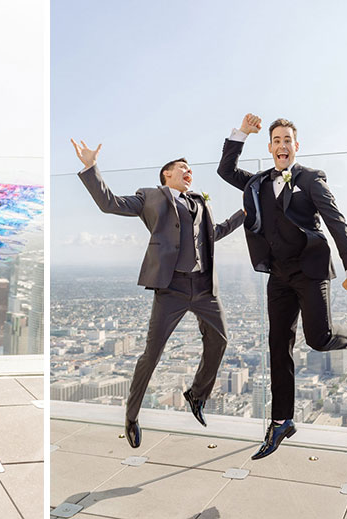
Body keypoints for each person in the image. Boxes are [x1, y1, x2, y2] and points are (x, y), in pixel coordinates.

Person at [217, 114, 347, 459]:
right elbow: (226, 170)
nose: (281, 145)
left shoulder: (310, 179)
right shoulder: (259, 182)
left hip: (310, 271)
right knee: (278, 345)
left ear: (296, 146)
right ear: (270, 146)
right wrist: (241, 134)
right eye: (276, 140)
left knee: (319, 339)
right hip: (278, 274)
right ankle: (282, 420)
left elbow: (337, 221)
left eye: (287, 140)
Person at [72, 139, 244, 448]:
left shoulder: (201, 202)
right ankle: (132, 415)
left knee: (220, 340)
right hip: (172, 287)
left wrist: (244, 214)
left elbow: (213, 234)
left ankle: (196, 394)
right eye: (182, 167)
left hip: (204, 287)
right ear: (166, 174)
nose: (188, 171)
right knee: (152, 353)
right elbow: (109, 203)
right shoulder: (150, 197)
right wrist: (90, 167)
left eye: (190, 168)